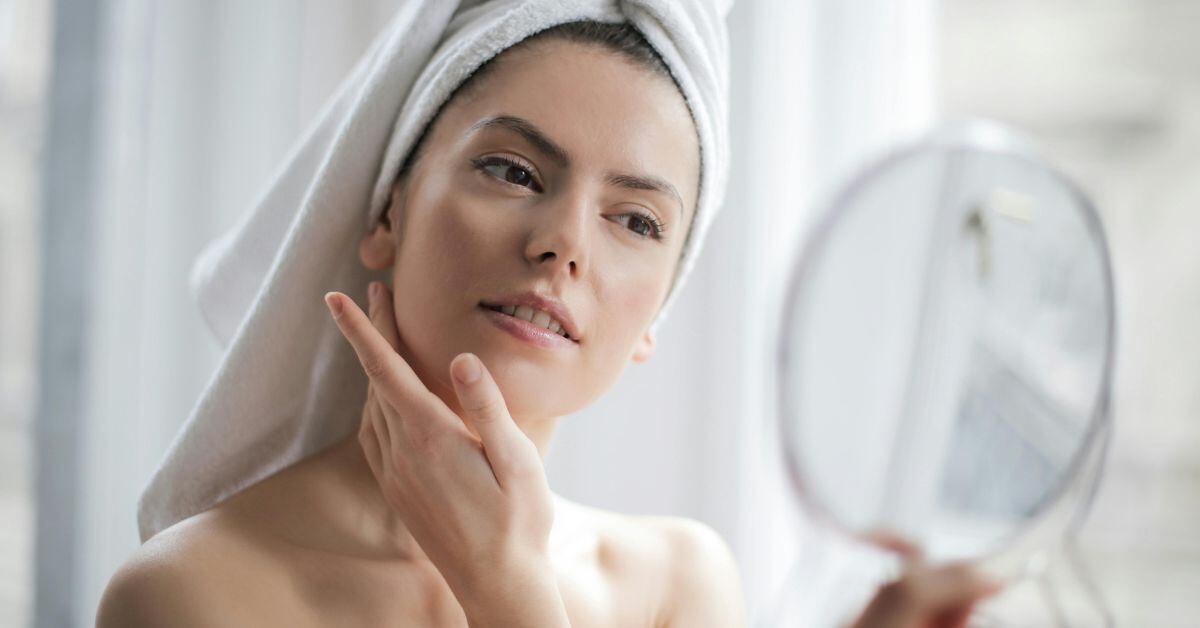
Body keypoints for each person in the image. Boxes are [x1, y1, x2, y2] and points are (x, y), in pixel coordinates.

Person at [96, 14, 997, 628]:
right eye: (513, 171)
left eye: (636, 221)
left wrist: (508, 591)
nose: (564, 244)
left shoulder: (677, 588)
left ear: (657, 314)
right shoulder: (192, 594)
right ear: (386, 213)